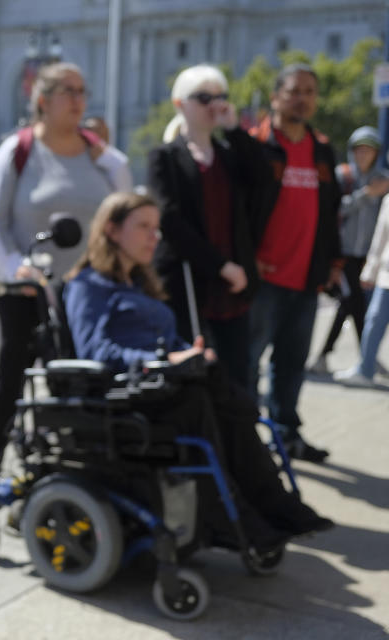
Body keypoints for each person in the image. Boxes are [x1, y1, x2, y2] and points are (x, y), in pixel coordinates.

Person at [63, 192, 333, 553]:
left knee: (229, 403)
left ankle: (275, 504)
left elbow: (168, 340)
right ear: (111, 230)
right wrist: (158, 360)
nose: (153, 237)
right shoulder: (87, 285)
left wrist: (186, 352)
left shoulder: (140, 284)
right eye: (143, 227)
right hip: (125, 396)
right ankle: (231, 520)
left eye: (156, 229)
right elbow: (95, 350)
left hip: (165, 384)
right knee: (201, 402)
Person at [0, 61, 132, 479]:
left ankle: (77, 468)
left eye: (83, 92)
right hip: (28, 291)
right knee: (12, 382)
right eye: (69, 91)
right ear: (43, 100)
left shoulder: (99, 157)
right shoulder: (19, 151)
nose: (79, 100)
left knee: (82, 383)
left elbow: (127, 208)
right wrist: (14, 266)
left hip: (87, 294)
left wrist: (111, 160)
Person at [246, 63, 343, 463]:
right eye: (294, 91)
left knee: (291, 366)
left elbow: (331, 208)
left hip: (307, 280)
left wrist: (333, 262)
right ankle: (246, 442)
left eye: (309, 91)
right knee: (249, 365)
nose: (302, 98)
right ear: (276, 97)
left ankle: (287, 434)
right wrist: (246, 258)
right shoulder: (257, 146)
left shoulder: (321, 150)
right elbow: (240, 210)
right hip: (262, 280)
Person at [147, 64, 265, 387]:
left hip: (232, 288)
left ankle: (235, 437)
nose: (214, 105)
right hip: (189, 283)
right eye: (203, 97)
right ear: (180, 104)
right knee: (193, 375)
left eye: (220, 97)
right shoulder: (165, 157)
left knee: (238, 375)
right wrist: (221, 266)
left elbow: (264, 180)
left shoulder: (228, 155)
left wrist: (234, 129)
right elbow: (170, 220)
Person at [310, 126, 389, 373]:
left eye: (369, 150)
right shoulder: (343, 176)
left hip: (368, 257)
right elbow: (335, 210)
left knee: (349, 305)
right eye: (359, 150)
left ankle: (330, 357)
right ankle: (367, 360)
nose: (364, 155)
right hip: (342, 256)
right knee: (355, 305)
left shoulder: (383, 179)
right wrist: (366, 194)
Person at [334, 193, 389, 386]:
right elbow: (380, 238)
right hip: (385, 277)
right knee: (373, 321)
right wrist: (370, 271)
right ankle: (365, 370)